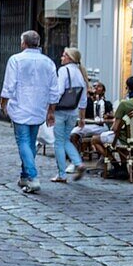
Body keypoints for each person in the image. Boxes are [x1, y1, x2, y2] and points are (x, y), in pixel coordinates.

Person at [0, 30, 61, 194]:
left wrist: (3, 104)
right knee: (30, 142)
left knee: (23, 142)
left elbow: (9, 85)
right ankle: (25, 175)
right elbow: (54, 89)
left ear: (23, 43)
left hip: (20, 106)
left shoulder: (16, 60)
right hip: (38, 108)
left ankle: (33, 177)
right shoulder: (48, 62)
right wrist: (51, 110)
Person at [92, 75, 133, 176]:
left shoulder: (124, 104)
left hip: (126, 139)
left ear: (128, 88)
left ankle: (118, 166)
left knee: (95, 139)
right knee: (121, 136)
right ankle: (129, 163)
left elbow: (115, 128)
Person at [51, 48, 89, 183]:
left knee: (59, 142)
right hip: (73, 112)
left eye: (63, 55)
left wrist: (51, 109)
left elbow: (59, 91)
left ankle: (62, 174)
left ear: (69, 58)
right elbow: (84, 99)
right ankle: (78, 163)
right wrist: (82, 118)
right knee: (65, 140)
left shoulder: (64, 71)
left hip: (61, 111)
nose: (61, 58)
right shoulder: (80, 73)